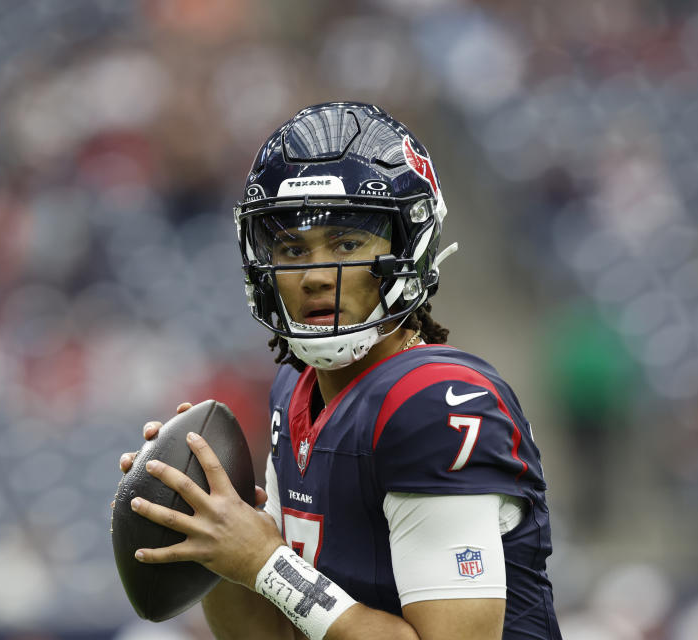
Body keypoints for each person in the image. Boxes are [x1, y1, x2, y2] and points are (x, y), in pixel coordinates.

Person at [118, 102, 561, 640]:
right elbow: (271, 636)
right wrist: (215, 538)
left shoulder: (436, 402)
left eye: (347, 244)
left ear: (409, 248)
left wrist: (266, 563)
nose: (314, 275)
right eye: (291, 249)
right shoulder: (295, 389)